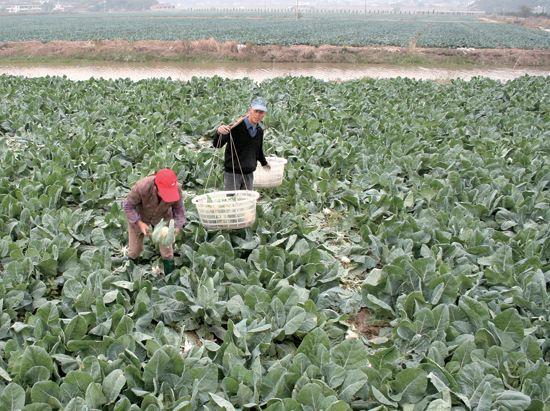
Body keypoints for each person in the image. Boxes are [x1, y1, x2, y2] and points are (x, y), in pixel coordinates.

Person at [122, 168, 185, 275]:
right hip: (140, 216)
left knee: (167, 251)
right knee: (134, 250)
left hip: (164, 217)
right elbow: (128, 206)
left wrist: (177, 228)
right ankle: (130, 272)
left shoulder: (177, 188)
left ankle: (170, 277)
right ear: (156, 187)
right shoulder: (142, 187)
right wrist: (139, 223)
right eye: (165, 193)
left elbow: (179, 210)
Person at [214, 97, 270, 190]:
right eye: (256, 111)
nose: (258, 115)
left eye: (261, 112)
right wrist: (219, 132)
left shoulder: (259, 130)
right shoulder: (235, 127)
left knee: (247, 203)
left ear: (264, 114)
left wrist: (265, 164)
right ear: (249, 110)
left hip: (249, 174)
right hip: (233, 174)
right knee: (232, 202)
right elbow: (217, 145)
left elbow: (258, 151)